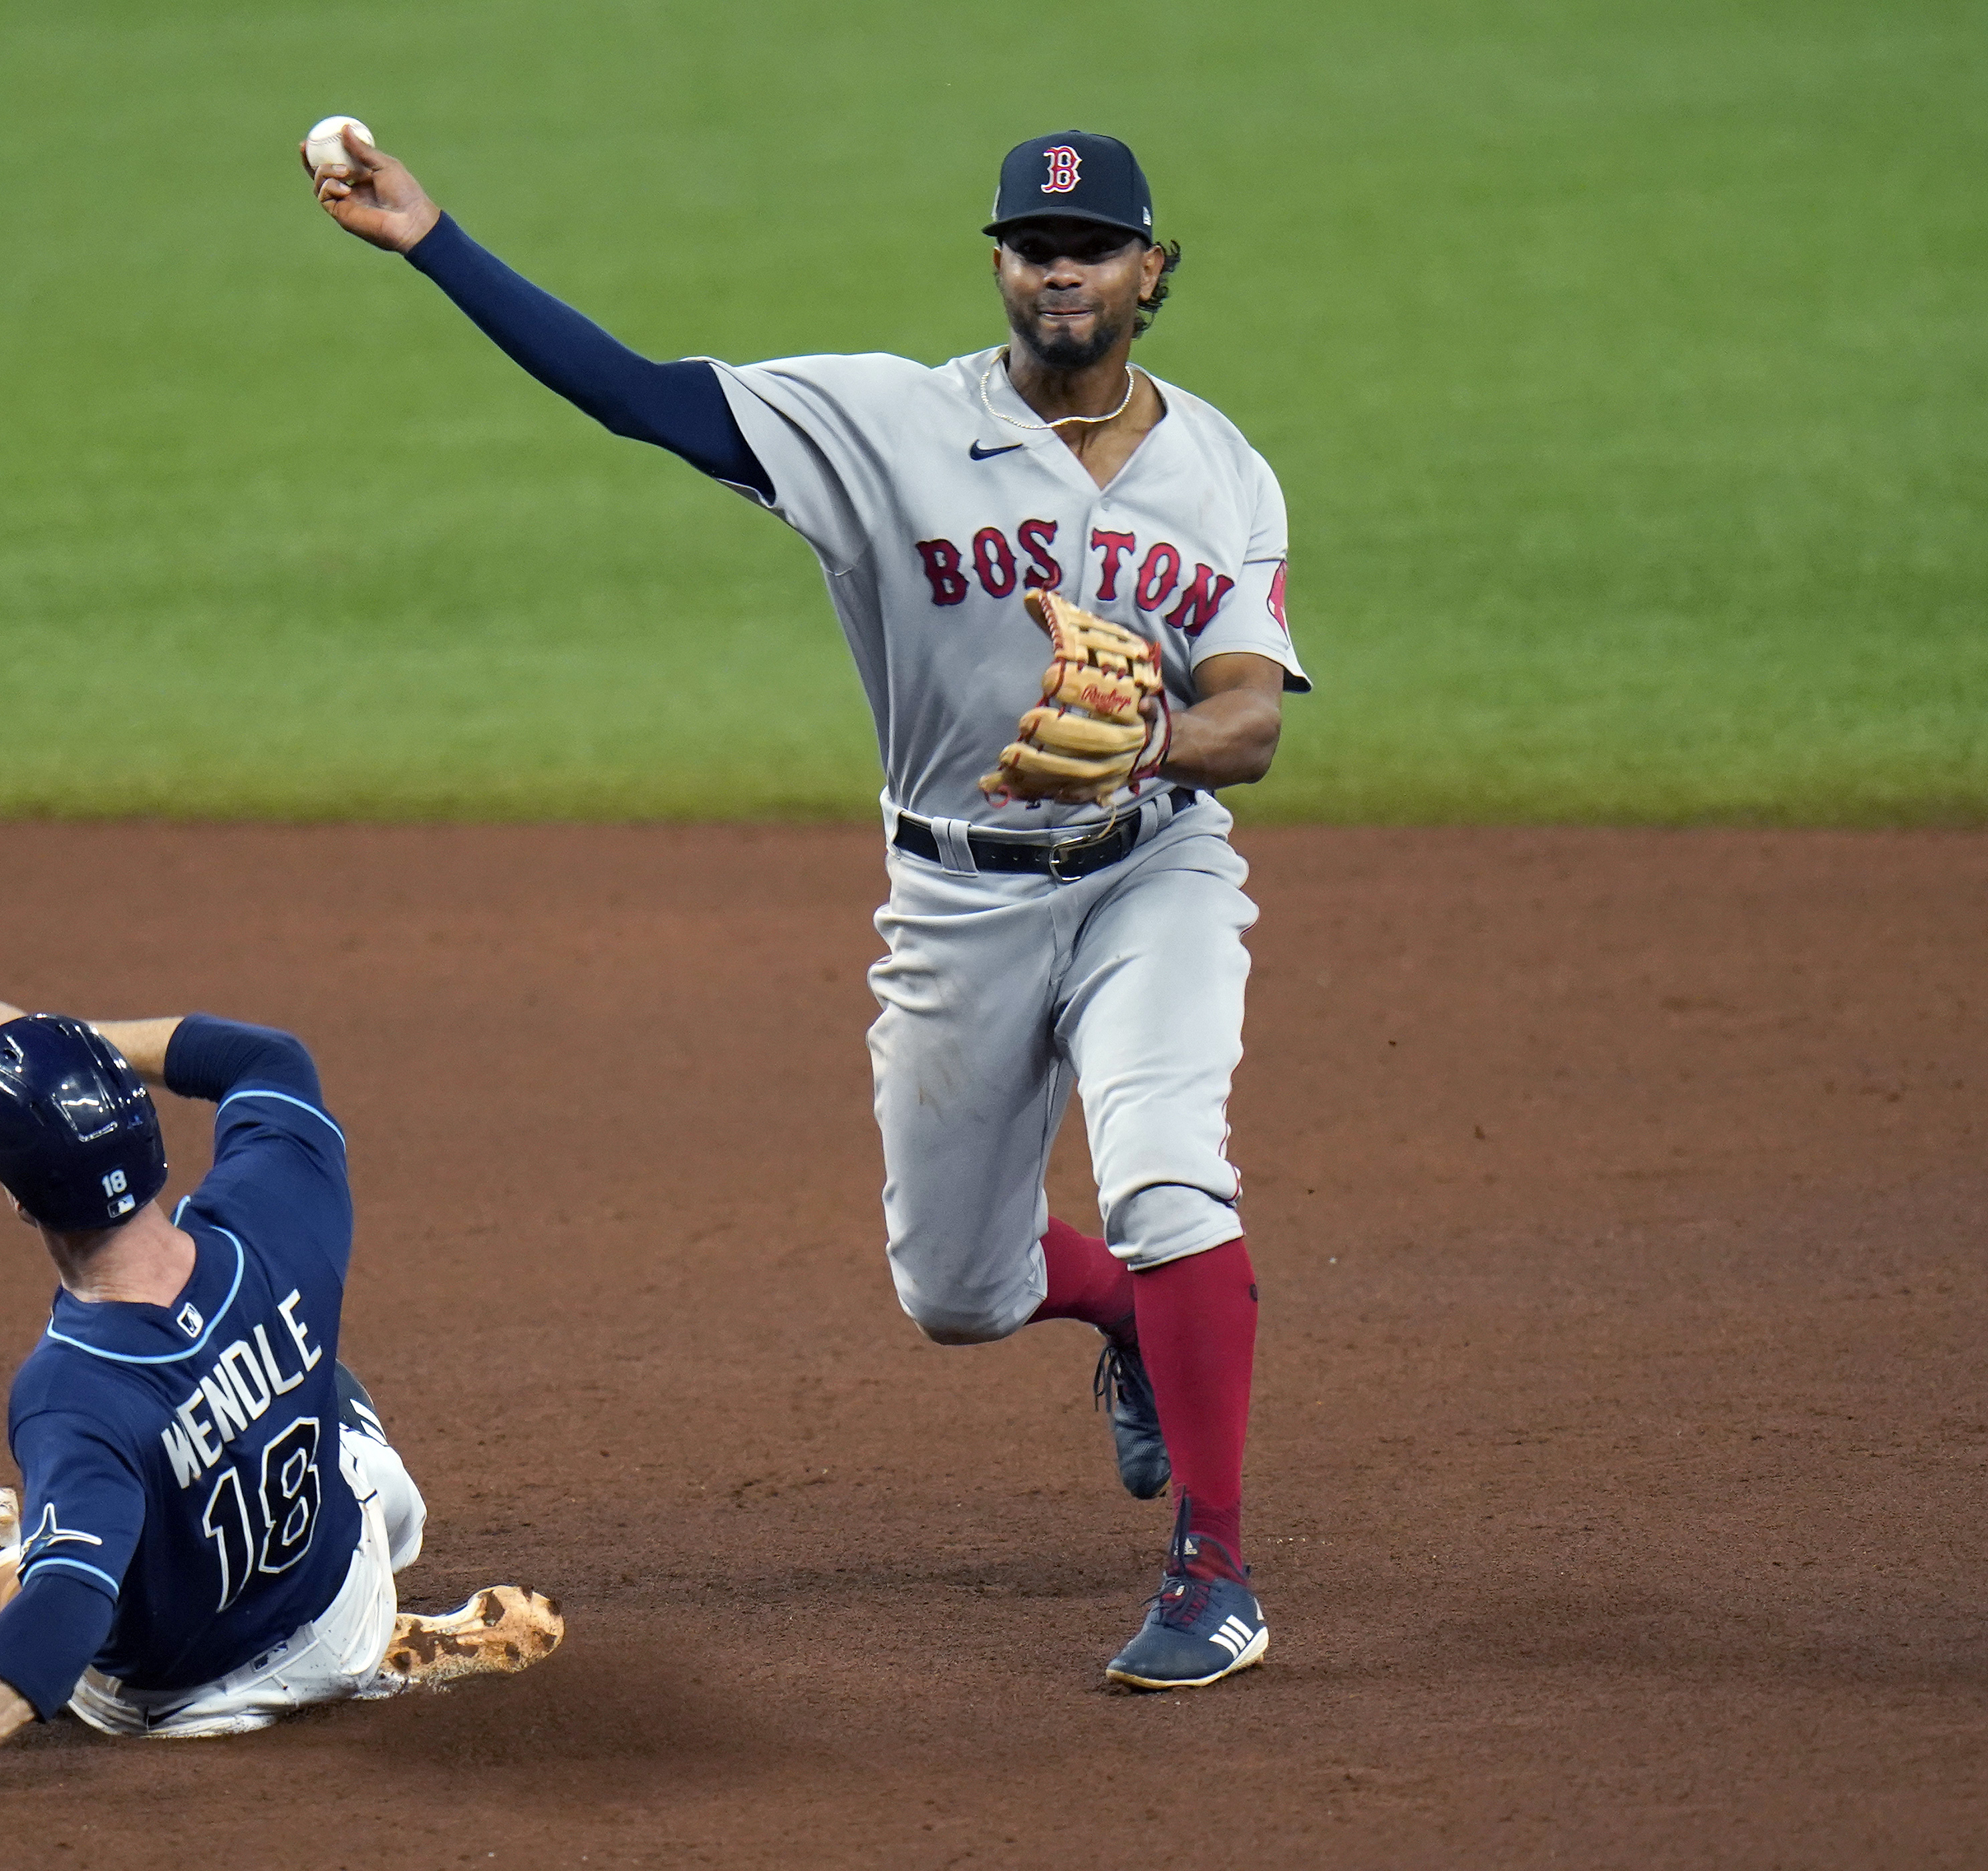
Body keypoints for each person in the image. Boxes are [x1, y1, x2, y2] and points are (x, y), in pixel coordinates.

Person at [309, 129, 1304, 1689]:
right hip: (954, 899)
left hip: (1150, 871)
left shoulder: (1224, 470)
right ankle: (1123, 1318)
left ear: (1150, 270)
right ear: (1000, 264)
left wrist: (1162, 739)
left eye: (1095, 243)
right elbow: (640, 397)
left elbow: (1253, 716)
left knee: (1169, 1169)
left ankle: (1217, 1572)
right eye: (1035, 241)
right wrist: (436, 239)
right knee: (957, 1294)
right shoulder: (884, 422)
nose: (1062, 266)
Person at [0, 997, 563, 1820]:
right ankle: (370, 1652)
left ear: (21, 1204)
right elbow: (267, 1059)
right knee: (329, 1385)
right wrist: (61, 1050)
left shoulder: (69, 1393)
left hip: (184, 1709)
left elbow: (64, 1613)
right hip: (339, 1604)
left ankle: (357, 1673)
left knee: (22, 1579)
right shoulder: (275, 1211)